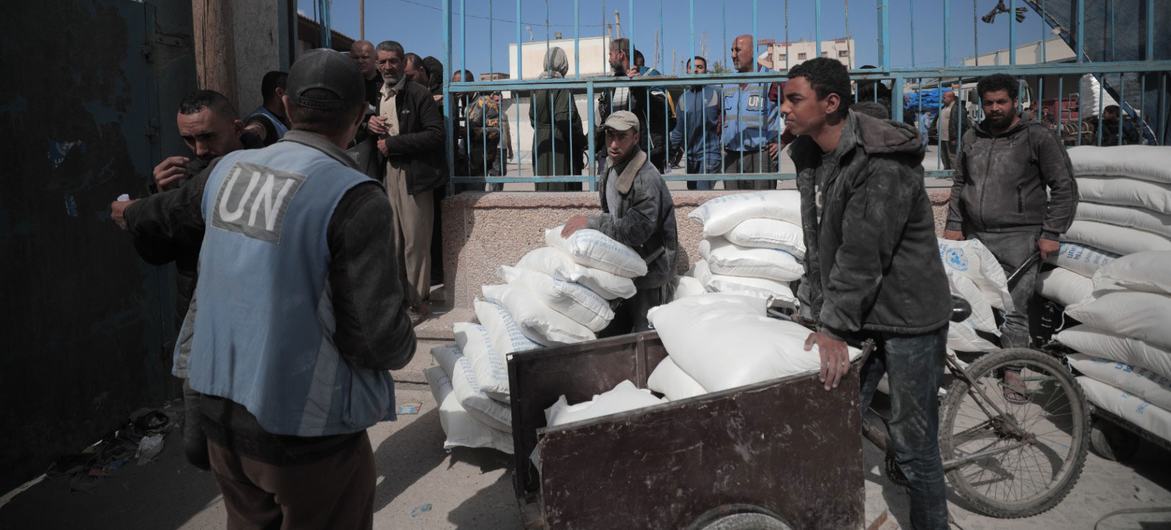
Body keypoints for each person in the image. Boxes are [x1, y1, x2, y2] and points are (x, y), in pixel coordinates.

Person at [158, 49, 415, 529]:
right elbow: (377, 338)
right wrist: (405, 341)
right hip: (304, 432)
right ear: (361, 116)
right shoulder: (353, 194)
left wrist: (127, 212)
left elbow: (163, 220)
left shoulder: (228, 172)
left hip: (220, 419)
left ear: (287, 107)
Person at [783, 58, 952, 530]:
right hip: (863, 309)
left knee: (915, 446)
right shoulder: (815, 155)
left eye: (795, 98)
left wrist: (834, 325)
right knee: (836, 414)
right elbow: (819, 243)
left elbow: (863, 253)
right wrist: (818, 311)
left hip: (907, 315)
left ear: (831, 103)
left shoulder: (881, 163)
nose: (784, 108)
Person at [944, 73, 1077, 354]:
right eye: (989, 103)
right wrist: (954, 223)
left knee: (1013, 307)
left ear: (1015, 101)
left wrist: (1051, 232)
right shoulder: (972, 137)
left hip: (1020, 238)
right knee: (975, 301)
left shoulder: (1037, 136)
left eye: (1001, 102)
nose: (995, 108)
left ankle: (1013, 368)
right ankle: (985, 359)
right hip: (976, 236)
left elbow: (1064, 187)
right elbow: (959, 183)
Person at [561, 111, 678, 335]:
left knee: (647, 336)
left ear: (635, 137)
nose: (613, 144)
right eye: (609, 135)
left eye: (622, 137)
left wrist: (592, 222)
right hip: (625, 265)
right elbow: (610, 211)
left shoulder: (646, 178)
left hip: (650, 272)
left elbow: (636, 230)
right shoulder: (613, 167)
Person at [368, 40, 447, 321]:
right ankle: (398, 302)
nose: (387, 66)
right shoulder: (378, 95)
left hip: (414, 177)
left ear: (402, 63)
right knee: (394, 242)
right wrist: (370, 124)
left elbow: (436, 134)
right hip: (386, 174)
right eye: (382, 62)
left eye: (393, 61)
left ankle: (419, 303)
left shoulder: (418, 94)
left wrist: (396, 144)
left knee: (416, 241)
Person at [596, 38, 672, 172]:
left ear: (621, 54)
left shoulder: (649, 75)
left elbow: (662, 110)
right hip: (615, 154)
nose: (609, 59)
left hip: (644, 153)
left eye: (610, 54)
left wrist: (638, 87)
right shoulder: (611, 82)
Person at [723, 34, 781, 190]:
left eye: (738, 50)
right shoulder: (727, 83)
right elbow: (721, 117)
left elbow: (797, 107)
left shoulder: (771, 80)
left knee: (761, 205)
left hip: (760, 154)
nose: (733, 55)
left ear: (752, 51)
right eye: (731, 50)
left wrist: (784, 139)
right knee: (732, 205)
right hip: (731, 156)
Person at [530, 46, 586, 191]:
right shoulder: (561, 86)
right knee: (562, 187)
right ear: (564, 63)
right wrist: (580, 140)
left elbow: (532, 119)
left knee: (543, 186)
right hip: (560, 143)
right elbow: (563, 119)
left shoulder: (535, 87)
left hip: (541, 141)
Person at [669, 56, 721, 190]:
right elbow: (678, 131)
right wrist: (669, 152)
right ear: (687, 71)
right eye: (692, 67)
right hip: (691, 157)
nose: (696, 70)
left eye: (700, 67)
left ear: (705, 71)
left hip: (710, 153)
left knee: (702, 194)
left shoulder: (716, 93)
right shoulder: (683, 98)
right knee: (692, 194)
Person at [467, 91, 512, 191]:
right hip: (490, 147)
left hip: (502, 148)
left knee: (499, 175)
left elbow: (507, 133)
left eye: (501, 100)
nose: (498, 102)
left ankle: (496, 196)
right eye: (496, 100)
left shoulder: (504, 115)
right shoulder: (485, 109)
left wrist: (510, 149)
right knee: (485, 173)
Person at [243, 71, 290, 147]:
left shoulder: (284, 118)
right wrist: (249, 131)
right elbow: (256, 127)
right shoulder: (262, 119)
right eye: (292, 91)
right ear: (280, 93)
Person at [350, 40, 382, 109]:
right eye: (356, 58)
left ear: (375, 58)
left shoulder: (386, 83)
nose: (360, 61)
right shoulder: (344, 83)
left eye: (365, 57)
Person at [937, 90, 964, 170]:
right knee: (943, 155)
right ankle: (946, 171)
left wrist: (956, 137)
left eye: (944, 97)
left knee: (952, 156)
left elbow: (961, 123)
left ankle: (954, 172)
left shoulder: (957, 108)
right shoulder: (944, 107)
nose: (942, 99)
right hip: (942, 137)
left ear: (951, 98)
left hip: (951, 137)